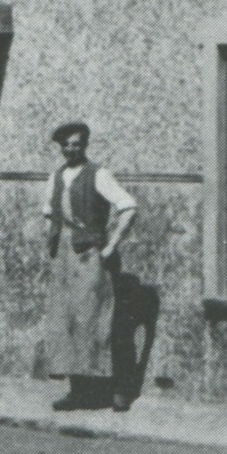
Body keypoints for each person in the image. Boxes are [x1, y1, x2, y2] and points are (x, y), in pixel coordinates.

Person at [42, 121, 138, 412]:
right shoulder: (56, 177)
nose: (72, 148)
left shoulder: (99, 175)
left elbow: (129, 207)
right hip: (64, 256)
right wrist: (52, 238)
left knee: (100, 322)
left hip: (92, 255)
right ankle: (78, 391)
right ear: (60, 147)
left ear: (85, 144)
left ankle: (119, 391)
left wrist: (110, 246)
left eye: (77, 143)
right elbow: (49, 212)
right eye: (67, 144)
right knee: (67, 322)